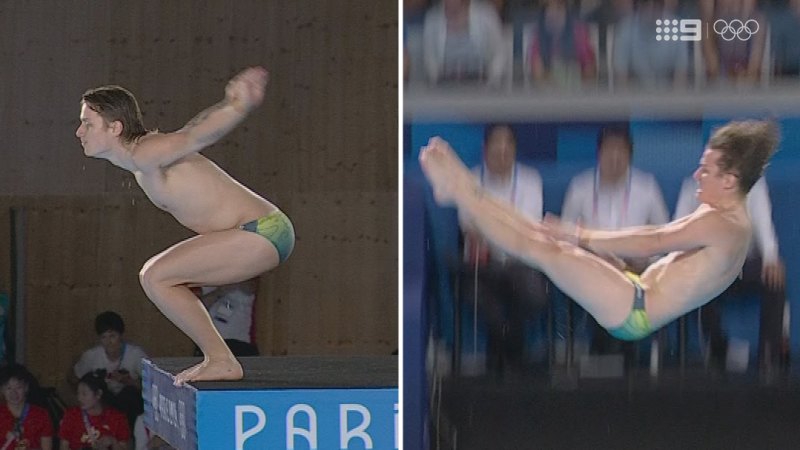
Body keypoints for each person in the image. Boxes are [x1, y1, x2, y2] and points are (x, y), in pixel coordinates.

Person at [419, 119, 778, 341]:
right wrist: (604, 255)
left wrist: (581, 236)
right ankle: (466, 188)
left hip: (634, 306)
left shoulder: (721, 223)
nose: (697, 175)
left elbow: (655, 238)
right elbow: (671, 259)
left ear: (730, 180)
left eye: (706, 170)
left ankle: (462, 193)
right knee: (542, 239)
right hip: (633, 290)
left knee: (543, 248)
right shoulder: (735, 222)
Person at [76, 66, 295, 384]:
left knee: (155, 276)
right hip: (257, 234)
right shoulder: (141, 164)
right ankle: (217, 357)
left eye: (87, 123)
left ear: (115, 128)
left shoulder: (146, 152)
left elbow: (194, 135)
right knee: (164, 279)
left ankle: (221, 359)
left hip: (261, 231)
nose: (79, 132)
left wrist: (236, 106)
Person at [561, 126, 669, 354]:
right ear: (599, 153)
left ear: (630, 155)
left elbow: (664, 239)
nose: (615, 158)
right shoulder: (580, 187)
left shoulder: (646, 187)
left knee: (631, 289)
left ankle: (625, 361)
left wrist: (647, 260)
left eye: (621, 151)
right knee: (599, 287)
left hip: (636, 271)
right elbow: (565, 239)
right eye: (610, 151)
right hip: (592, 270)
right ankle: (604, 358)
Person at [458, 125, 548, 375]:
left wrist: (493, 227)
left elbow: (529, 225)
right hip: (483, 266)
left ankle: (506, 349)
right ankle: (510, 351)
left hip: (520, 262)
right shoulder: (471, 181)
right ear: (485, 150)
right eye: (496, 145)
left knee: (534, 297)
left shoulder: (530, 181)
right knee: (477, 297)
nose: (502, 151)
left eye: (507, 145)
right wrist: (505, 228)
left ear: (515, 149)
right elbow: (469, 225)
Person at [675, 175, 787, 375]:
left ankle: (768, 357)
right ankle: (719, 349)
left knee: (774, 278)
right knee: (694, 281)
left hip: (745, 261)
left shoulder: (754, 182)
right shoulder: (693, 185)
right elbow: (678, 230)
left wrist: (771, 258)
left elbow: (764, 224)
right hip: (709, 263)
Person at [70, 311, 147, 430]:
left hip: (130, 404)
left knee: (129, 394)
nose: (108, 342)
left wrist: (129, 381)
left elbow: (152, 387)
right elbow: (74, 377)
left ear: (120, 335)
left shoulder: (136, 354)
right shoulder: (91, 355)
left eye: (112, 336)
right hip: (103, 403)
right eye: (103, 337)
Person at [59, 373, 130, 450]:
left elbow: (124, 447)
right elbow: (64, 446)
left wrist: (113, 441)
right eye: (78, 393)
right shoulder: (72, 415)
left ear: (98, 394)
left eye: (84, 394)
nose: (79, 398)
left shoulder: (117, 417)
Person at [195, 278, 260, 357]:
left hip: (239, 341)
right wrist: (219, 292)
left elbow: (250, 287)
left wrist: (231, 280)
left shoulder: (246, 277)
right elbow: (197, 307)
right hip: (208, 340)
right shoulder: (208, 281)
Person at [0, 364, 54, 450]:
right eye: (8, 388)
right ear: (2, 390)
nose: (13, 393)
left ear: (26, 387)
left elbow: (46, 448)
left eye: (18, 387)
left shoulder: (41, 415)